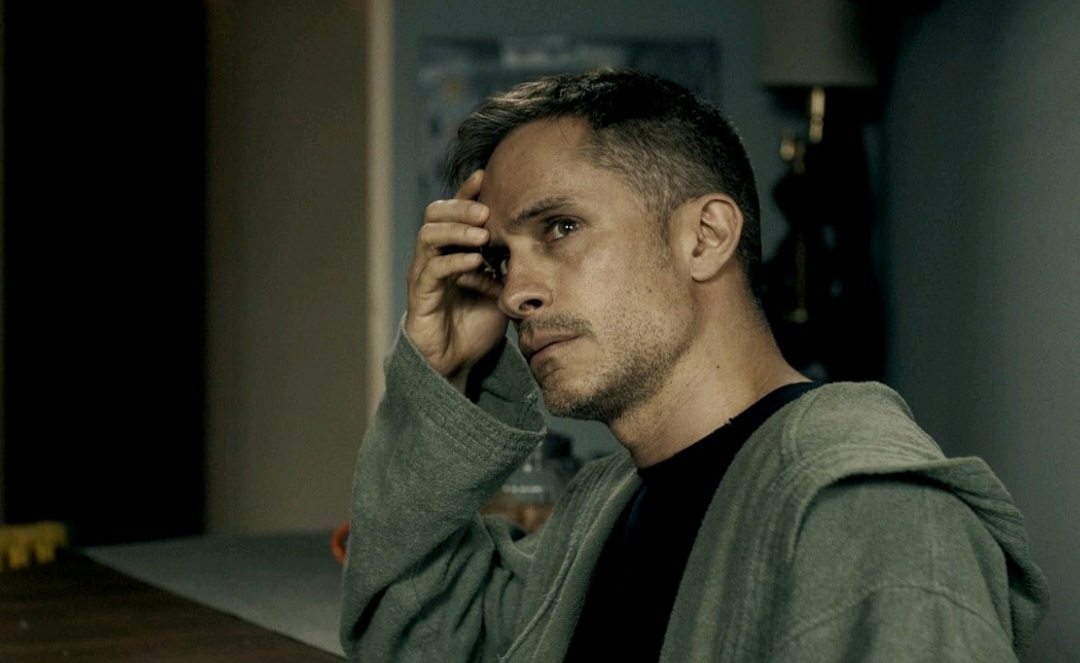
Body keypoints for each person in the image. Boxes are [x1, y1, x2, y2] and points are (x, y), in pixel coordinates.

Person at [339, 70, 1048, 662]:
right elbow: (418, 635)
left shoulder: (870, 512)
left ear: (706, 236)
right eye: (500, 259)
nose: (515, 293)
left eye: (560, 227)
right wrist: (444, 373)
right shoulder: (602, 509)